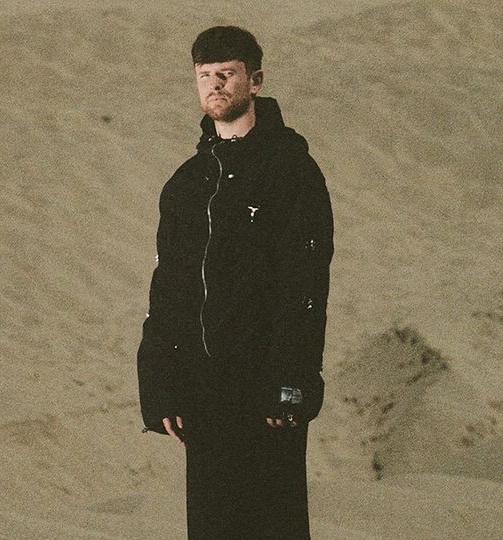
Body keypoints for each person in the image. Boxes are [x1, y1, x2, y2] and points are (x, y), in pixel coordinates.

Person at [137, 25, 333, 540]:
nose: (215, 86)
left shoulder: (291, 171)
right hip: (203, 393)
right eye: (205, 76)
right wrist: (161, 388)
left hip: (267, 391)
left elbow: (305, 286)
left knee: (274, 528)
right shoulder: (186, 185)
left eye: (226, 74)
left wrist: (290, 387)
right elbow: (169, 292)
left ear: (256, 80)